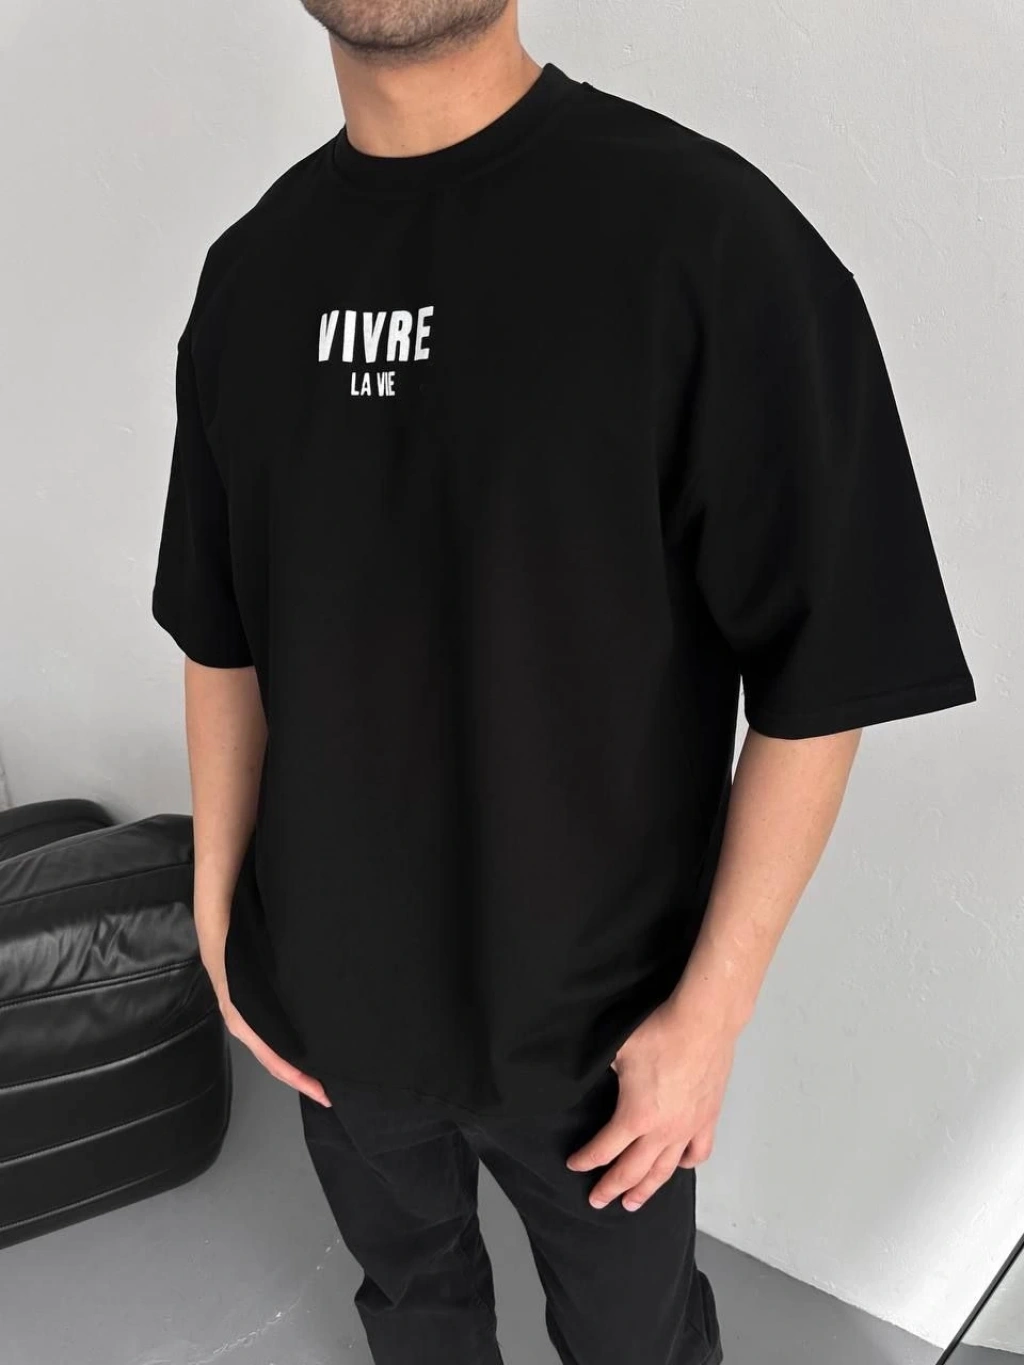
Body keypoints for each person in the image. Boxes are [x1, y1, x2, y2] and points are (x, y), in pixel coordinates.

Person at [149, 3, 977, 1362]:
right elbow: (218, 631)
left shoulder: (707, 242)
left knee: (635, 1340)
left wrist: (709, 1015)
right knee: (413, 1307)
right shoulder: (251, 276)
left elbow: (824, 669)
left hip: (602, 1032)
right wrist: (222, 921)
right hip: (331, 1003)